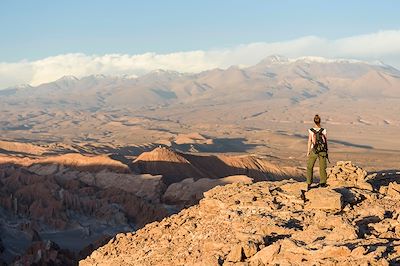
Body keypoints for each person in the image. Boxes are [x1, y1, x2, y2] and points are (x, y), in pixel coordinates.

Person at [306, 114, 328, 190]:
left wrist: (308, 151)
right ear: (320, 121)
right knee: (322, 167)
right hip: (322, 151)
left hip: (314, 150)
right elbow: (325, 141)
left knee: (309, 166)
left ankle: (309, 183)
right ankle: (323, 183)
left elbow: (310, 141)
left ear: (314, 121)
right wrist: (326, 151)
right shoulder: (324, 130)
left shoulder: (311, 130)